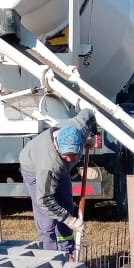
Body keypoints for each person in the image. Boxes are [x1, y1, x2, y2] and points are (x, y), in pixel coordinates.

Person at [19, 108, 96, 257]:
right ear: (57, 146)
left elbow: (89, 114)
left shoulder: (80, 127)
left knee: (66, 207)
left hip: (60, 171)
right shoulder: (49, 165)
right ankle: (52, 260)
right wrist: (70, 220)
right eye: (66, 155)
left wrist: (92, 135)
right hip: (33, 169)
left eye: (73, 154)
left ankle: (67, 253)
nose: (70, 159)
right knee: (48, 223)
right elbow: (45, 200)